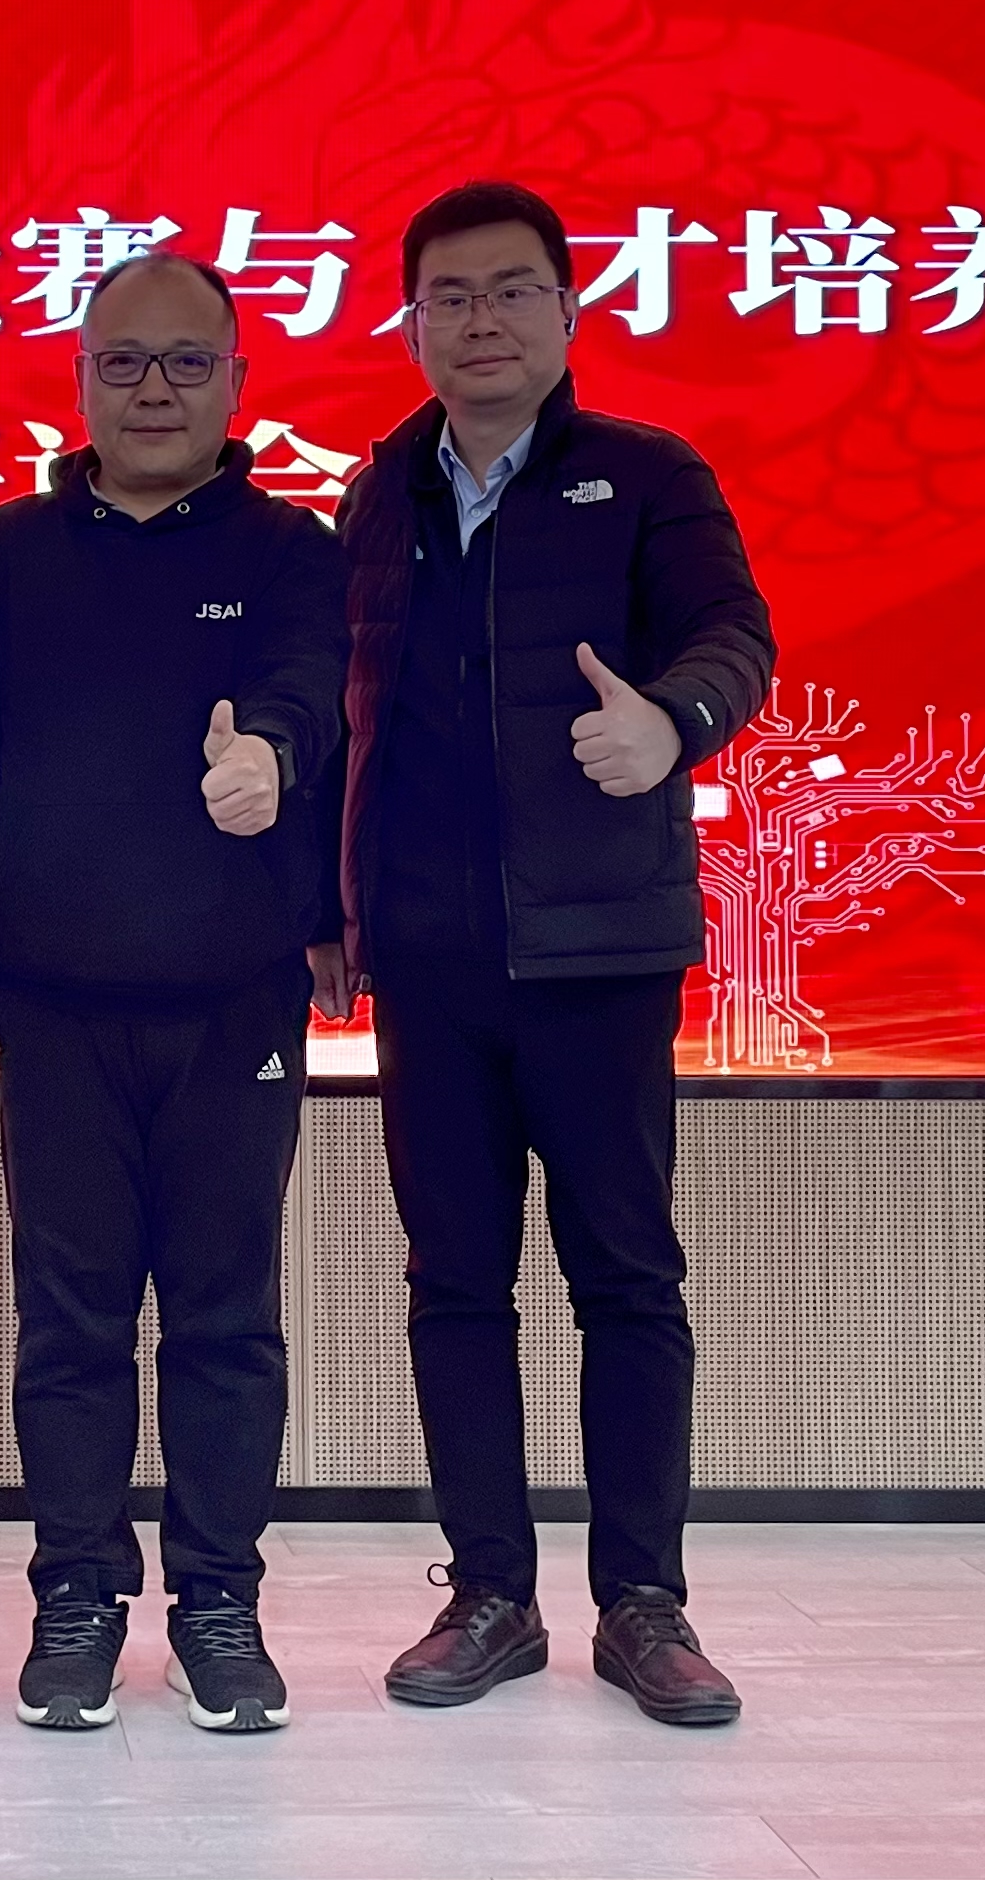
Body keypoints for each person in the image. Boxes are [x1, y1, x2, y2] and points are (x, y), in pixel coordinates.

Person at [323, 180, 772, 1730]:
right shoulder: (375, 495)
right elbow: (345, 715)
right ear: (410, 324)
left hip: (597, 952)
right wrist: (330, 908)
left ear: (568, 314)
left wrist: (672, 723)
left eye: (512, 290)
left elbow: (734, 639)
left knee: (624, 1277)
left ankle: (643, 1604)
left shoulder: (643, 475)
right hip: (426, 961)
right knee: (452, 1283)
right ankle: (489, 1596)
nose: (482, 321)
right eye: (449, 296)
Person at [0, 254, 349, 1736]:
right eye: (124, 363)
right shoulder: (8, 555)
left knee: (226, 1317)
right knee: (70, 1322)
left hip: (234, 999)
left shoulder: (290, 548)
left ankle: (218, 1601)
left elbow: (313, 695)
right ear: (82, 379)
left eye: (184, 363)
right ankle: (79, 1598)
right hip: (52, 999)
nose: (153, 390)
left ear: (235, 383)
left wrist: (268, 756)